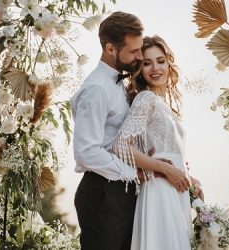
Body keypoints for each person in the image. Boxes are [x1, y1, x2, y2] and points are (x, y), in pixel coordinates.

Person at [71, 12, 190, 250]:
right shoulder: (97, 89)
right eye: (135, 52)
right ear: (110, 48)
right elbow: (86, 152)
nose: (139, 57)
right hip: (102, 191)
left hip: (123, 192)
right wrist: (135, 172)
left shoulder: (121, 85)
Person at [113, 35, 203, 250]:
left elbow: (169, 152)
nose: (155, 68)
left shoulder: (164, 105)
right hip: (160, 192)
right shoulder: (146, 98)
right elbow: (120, 146)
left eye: (160, 61)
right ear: (140, 69)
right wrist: (165, 169)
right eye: (147, 63)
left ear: (169, 63)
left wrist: (190, 180)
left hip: (176, 191)